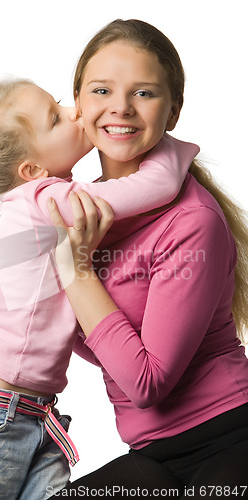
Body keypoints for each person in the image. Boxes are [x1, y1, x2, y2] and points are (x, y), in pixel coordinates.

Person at [0, 76, 198, 499]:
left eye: (62, 104)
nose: (74, 113)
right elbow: (155, 187)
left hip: (33, 414)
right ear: (32, 170)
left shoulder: (52, 205)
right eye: (55, 118)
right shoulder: (44, 200)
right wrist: (170, 145)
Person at [47, 19, 248, 499]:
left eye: (143, 93)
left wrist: (75, 271)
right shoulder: (87, 212)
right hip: (152, 455)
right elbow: (107, 347)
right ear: (78, 104)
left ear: (172, 112)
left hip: (229, 439)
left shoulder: (192, 221)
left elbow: (146, 382)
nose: (120, 107)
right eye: (101, 90)